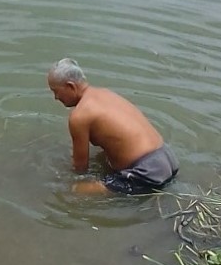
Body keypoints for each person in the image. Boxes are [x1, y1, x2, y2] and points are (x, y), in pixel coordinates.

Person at [47, 58, 179, 195]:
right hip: (167, 158)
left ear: (70, 86)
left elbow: (80, 168)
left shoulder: (79, 116)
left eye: (55, 91)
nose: (56, 97)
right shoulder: (105, 93)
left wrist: (71, 182)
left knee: (76, 191)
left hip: (148, 172)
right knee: (102, 159)